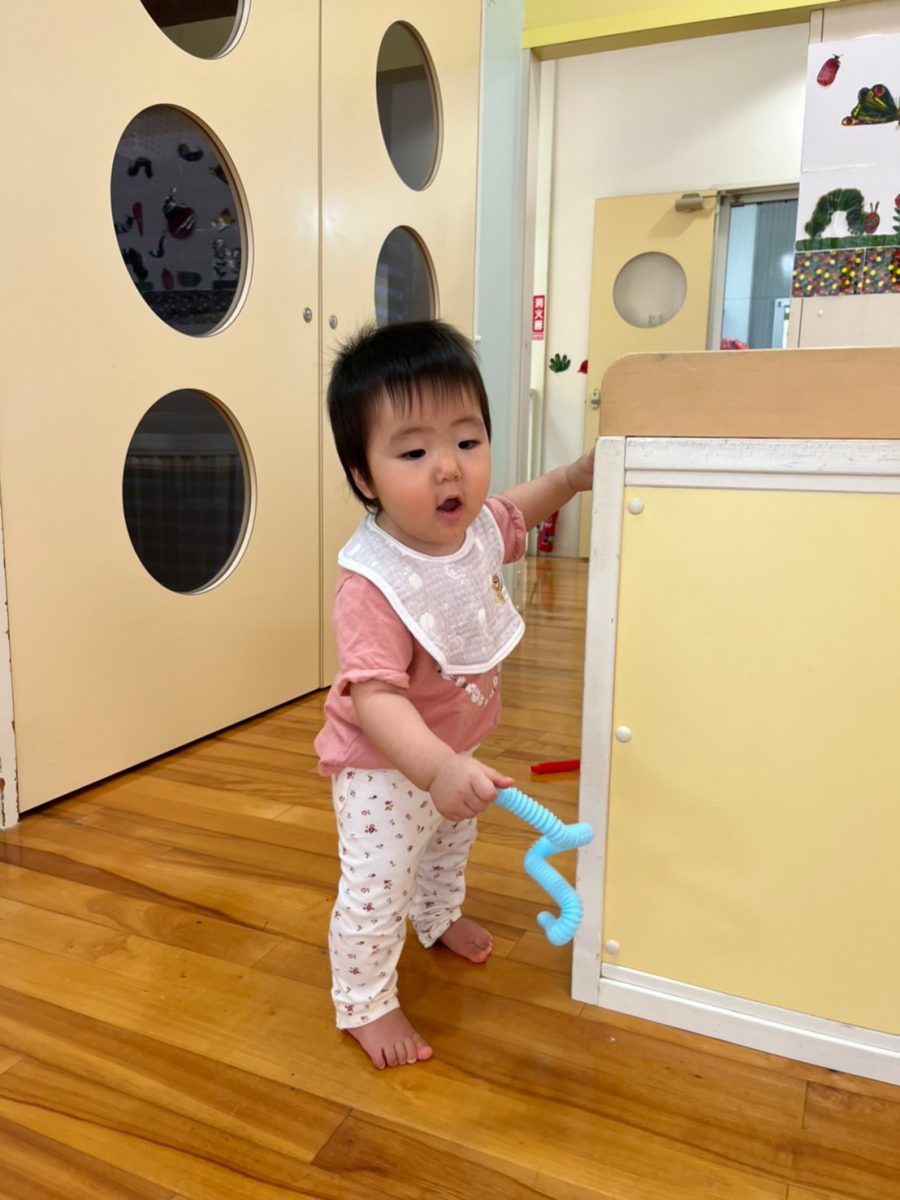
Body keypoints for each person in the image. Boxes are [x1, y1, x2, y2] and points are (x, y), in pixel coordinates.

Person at [315, 320, 594, 1069]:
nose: (449, 468)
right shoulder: (373, 582)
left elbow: (516, 511)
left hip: (455, 750)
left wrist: (571, 477)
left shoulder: (473, 533)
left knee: (448, 846)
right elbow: (376, 697)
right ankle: (366, 1002)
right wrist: (434, 768)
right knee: (377, 888)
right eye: (413, 453)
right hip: (384, 769)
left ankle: (437, 918)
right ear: (365, 476)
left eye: (467, 442)